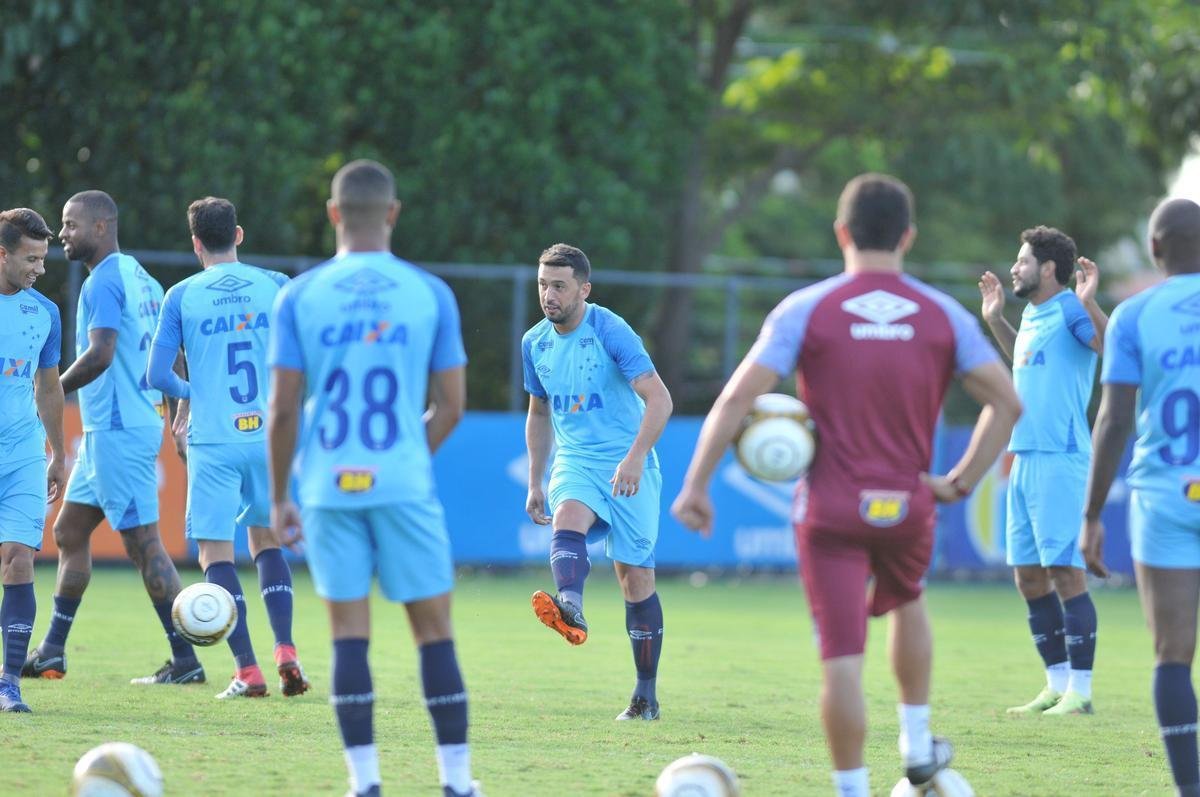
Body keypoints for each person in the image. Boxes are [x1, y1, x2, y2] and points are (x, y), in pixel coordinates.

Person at [671, 173, 1022, 797]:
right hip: (907, 504)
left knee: (842, 658)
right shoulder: (942, 313)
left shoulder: (807, 309)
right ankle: (917, 745)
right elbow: (1006, 402)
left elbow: (735, 399)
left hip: (830, 510)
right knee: (908, 598)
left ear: (841, 233)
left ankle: (852, 789)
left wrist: (696, 485)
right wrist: (961, 482)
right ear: (908, 236)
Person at [267, 159, 481, 797]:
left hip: (329, 486)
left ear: (333, 213)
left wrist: (280, 496)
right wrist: (410, 454)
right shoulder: (429, 292)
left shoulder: (300, 295)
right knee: (434, 632)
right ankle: (458, 784)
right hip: (402, 482)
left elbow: (282, 410)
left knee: (346, 636)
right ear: (392, 213)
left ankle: (366, 785)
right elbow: (452, 406)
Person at [23, 190, 205, 685]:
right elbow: (177, 353)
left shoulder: (103, 280)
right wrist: (175, 410)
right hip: (124, 424)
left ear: (101, 226)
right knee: (69, 533)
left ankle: (186, 659)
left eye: (71, 224)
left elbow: (101, 354)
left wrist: (51, 390)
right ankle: (53, 653)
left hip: (118, 428)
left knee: (144, 542)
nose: (63, 234)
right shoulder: (142, 278)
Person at [146, 197, 308, 700]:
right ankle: (286, 648)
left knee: (215, 551)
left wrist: (196, 395)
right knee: (267, 542)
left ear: (196, 243)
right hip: (267, 435)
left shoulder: (181, 295)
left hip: (213, 441)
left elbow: (156, 376)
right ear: (238, 235)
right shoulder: (278, 286)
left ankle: (249, 669)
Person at [522, 243, 673, 721]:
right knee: (566, 517)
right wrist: (535, 480)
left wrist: (634, 457)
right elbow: (539, 411)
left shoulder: (609, 329)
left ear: (583, 289)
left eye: (559, 285)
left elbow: (660, 400)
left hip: (630, 465)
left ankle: (645, 695)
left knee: (636, 579)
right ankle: (570, 605)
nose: (549, 294)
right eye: (543, 284)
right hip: (578, 460)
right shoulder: (534, 343)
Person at [1080, 197, 1200, 797]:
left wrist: (1092, 513)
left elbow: (1114, 420)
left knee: (1173, 654)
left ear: (1155, 250)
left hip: (1167, 495)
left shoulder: (1132, 315)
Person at [978, 227, 1107, 716]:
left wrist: (1090, 302)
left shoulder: (1072, 307)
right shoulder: (1033, 312)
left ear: (1048, 268)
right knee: (1029, 577)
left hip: (1060, 456)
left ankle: (1082, 690)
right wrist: (995, 321)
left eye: (1023, 260)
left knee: (1066, 574)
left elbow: (1106, 343)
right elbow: (1027, 363)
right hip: (1026, 454)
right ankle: (1055, 685)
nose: (1015, 268)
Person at [0, 208, 64, 712]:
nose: (40, 268)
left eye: (44, 258)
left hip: (23, 451)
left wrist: (59, 453)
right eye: (31, 258)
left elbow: (48, 387)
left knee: (19, 560)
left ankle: (9, 684)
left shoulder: (44, 312)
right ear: (3, 253)